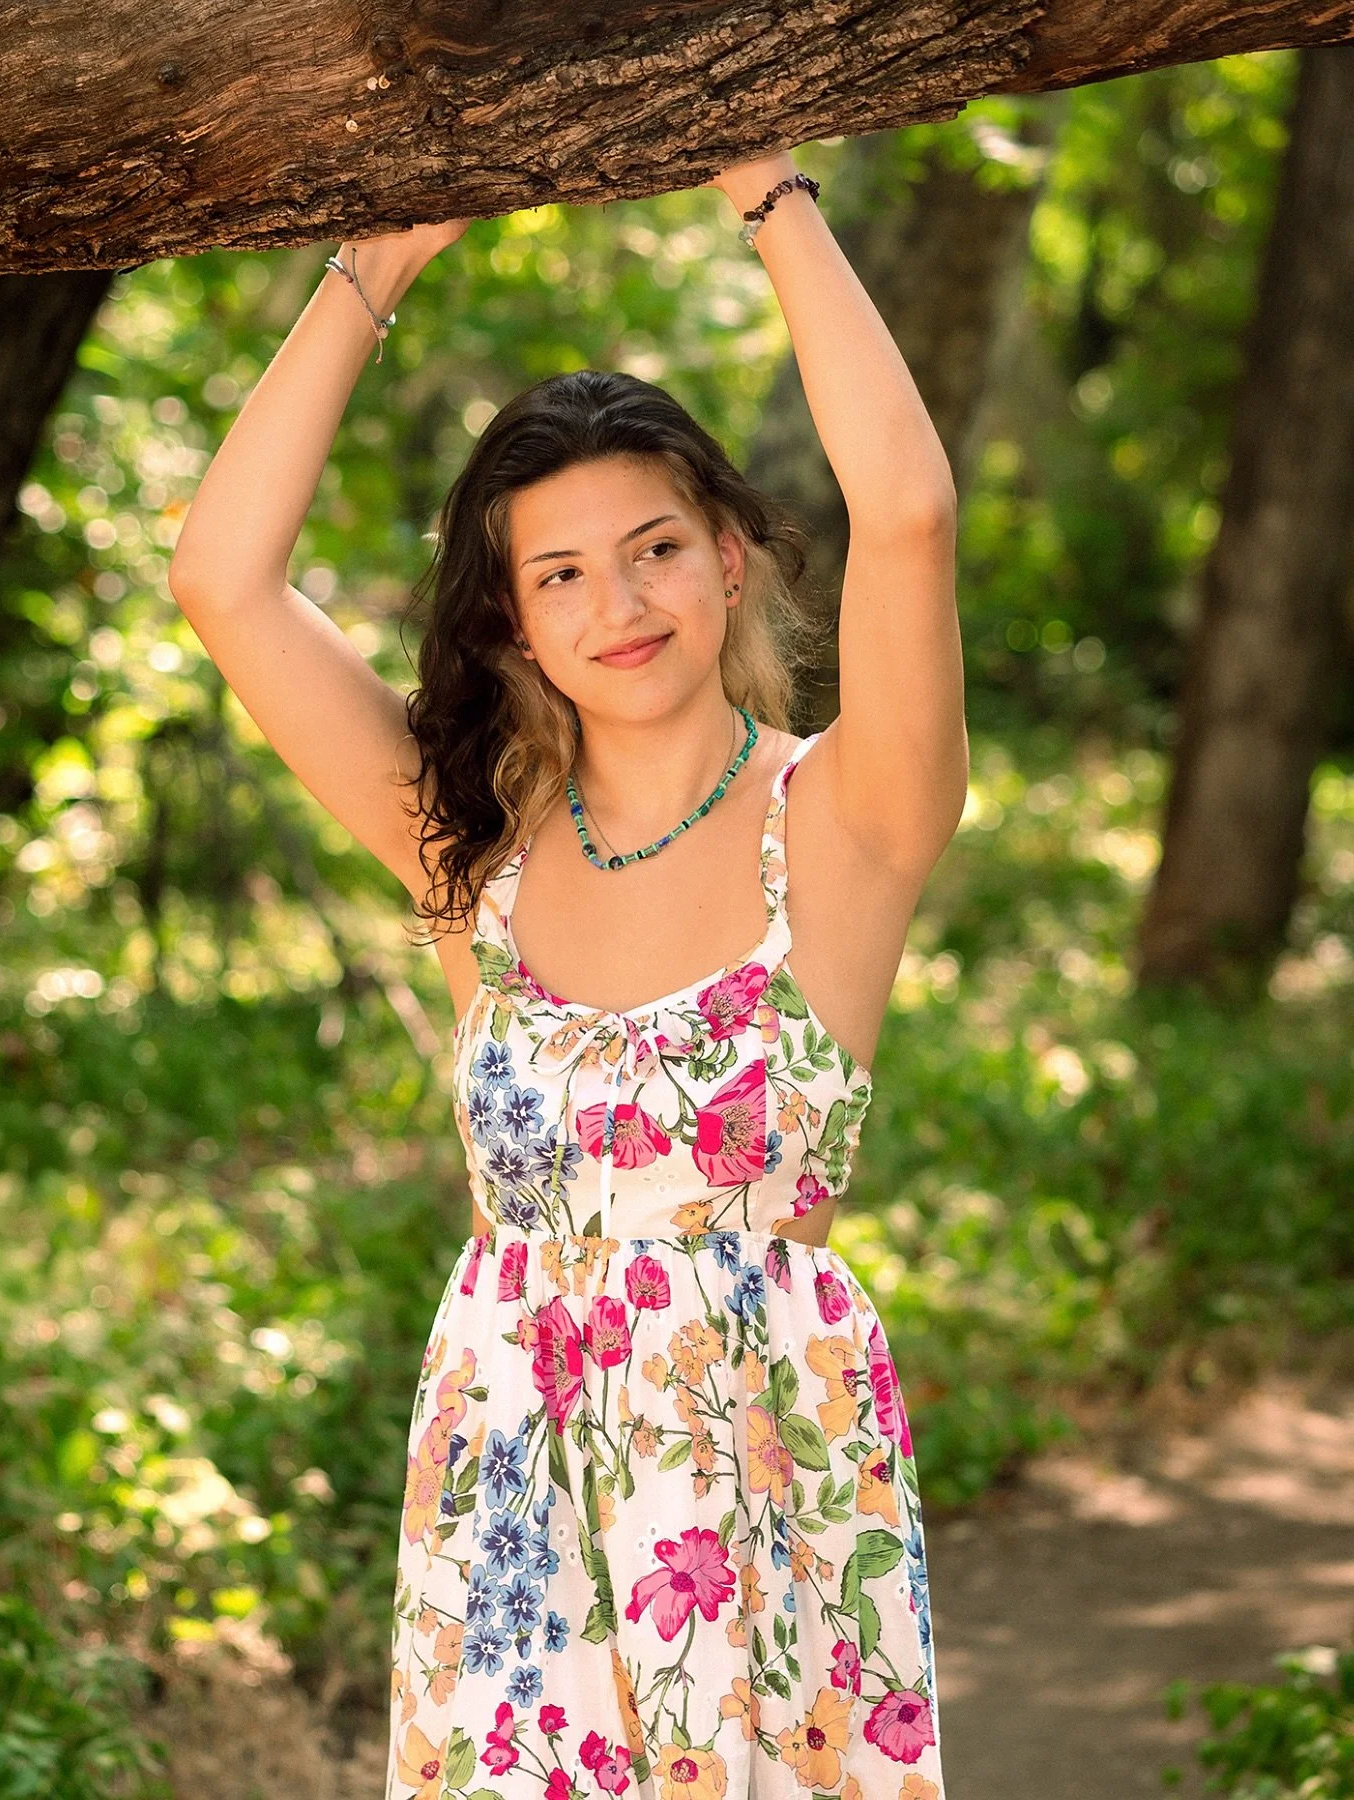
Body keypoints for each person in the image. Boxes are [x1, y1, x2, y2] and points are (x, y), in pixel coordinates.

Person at [169, 145, 964, 1800]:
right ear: (515, 625)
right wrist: (376, 263)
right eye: (561, 574)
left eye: (657, 547)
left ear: (729, 556)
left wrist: (768, 189)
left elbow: (906, 510)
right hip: (510, 1534)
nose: (620, 603)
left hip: (764, 1516)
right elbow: (223, 584)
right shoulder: (474, 848)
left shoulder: (848, 821)